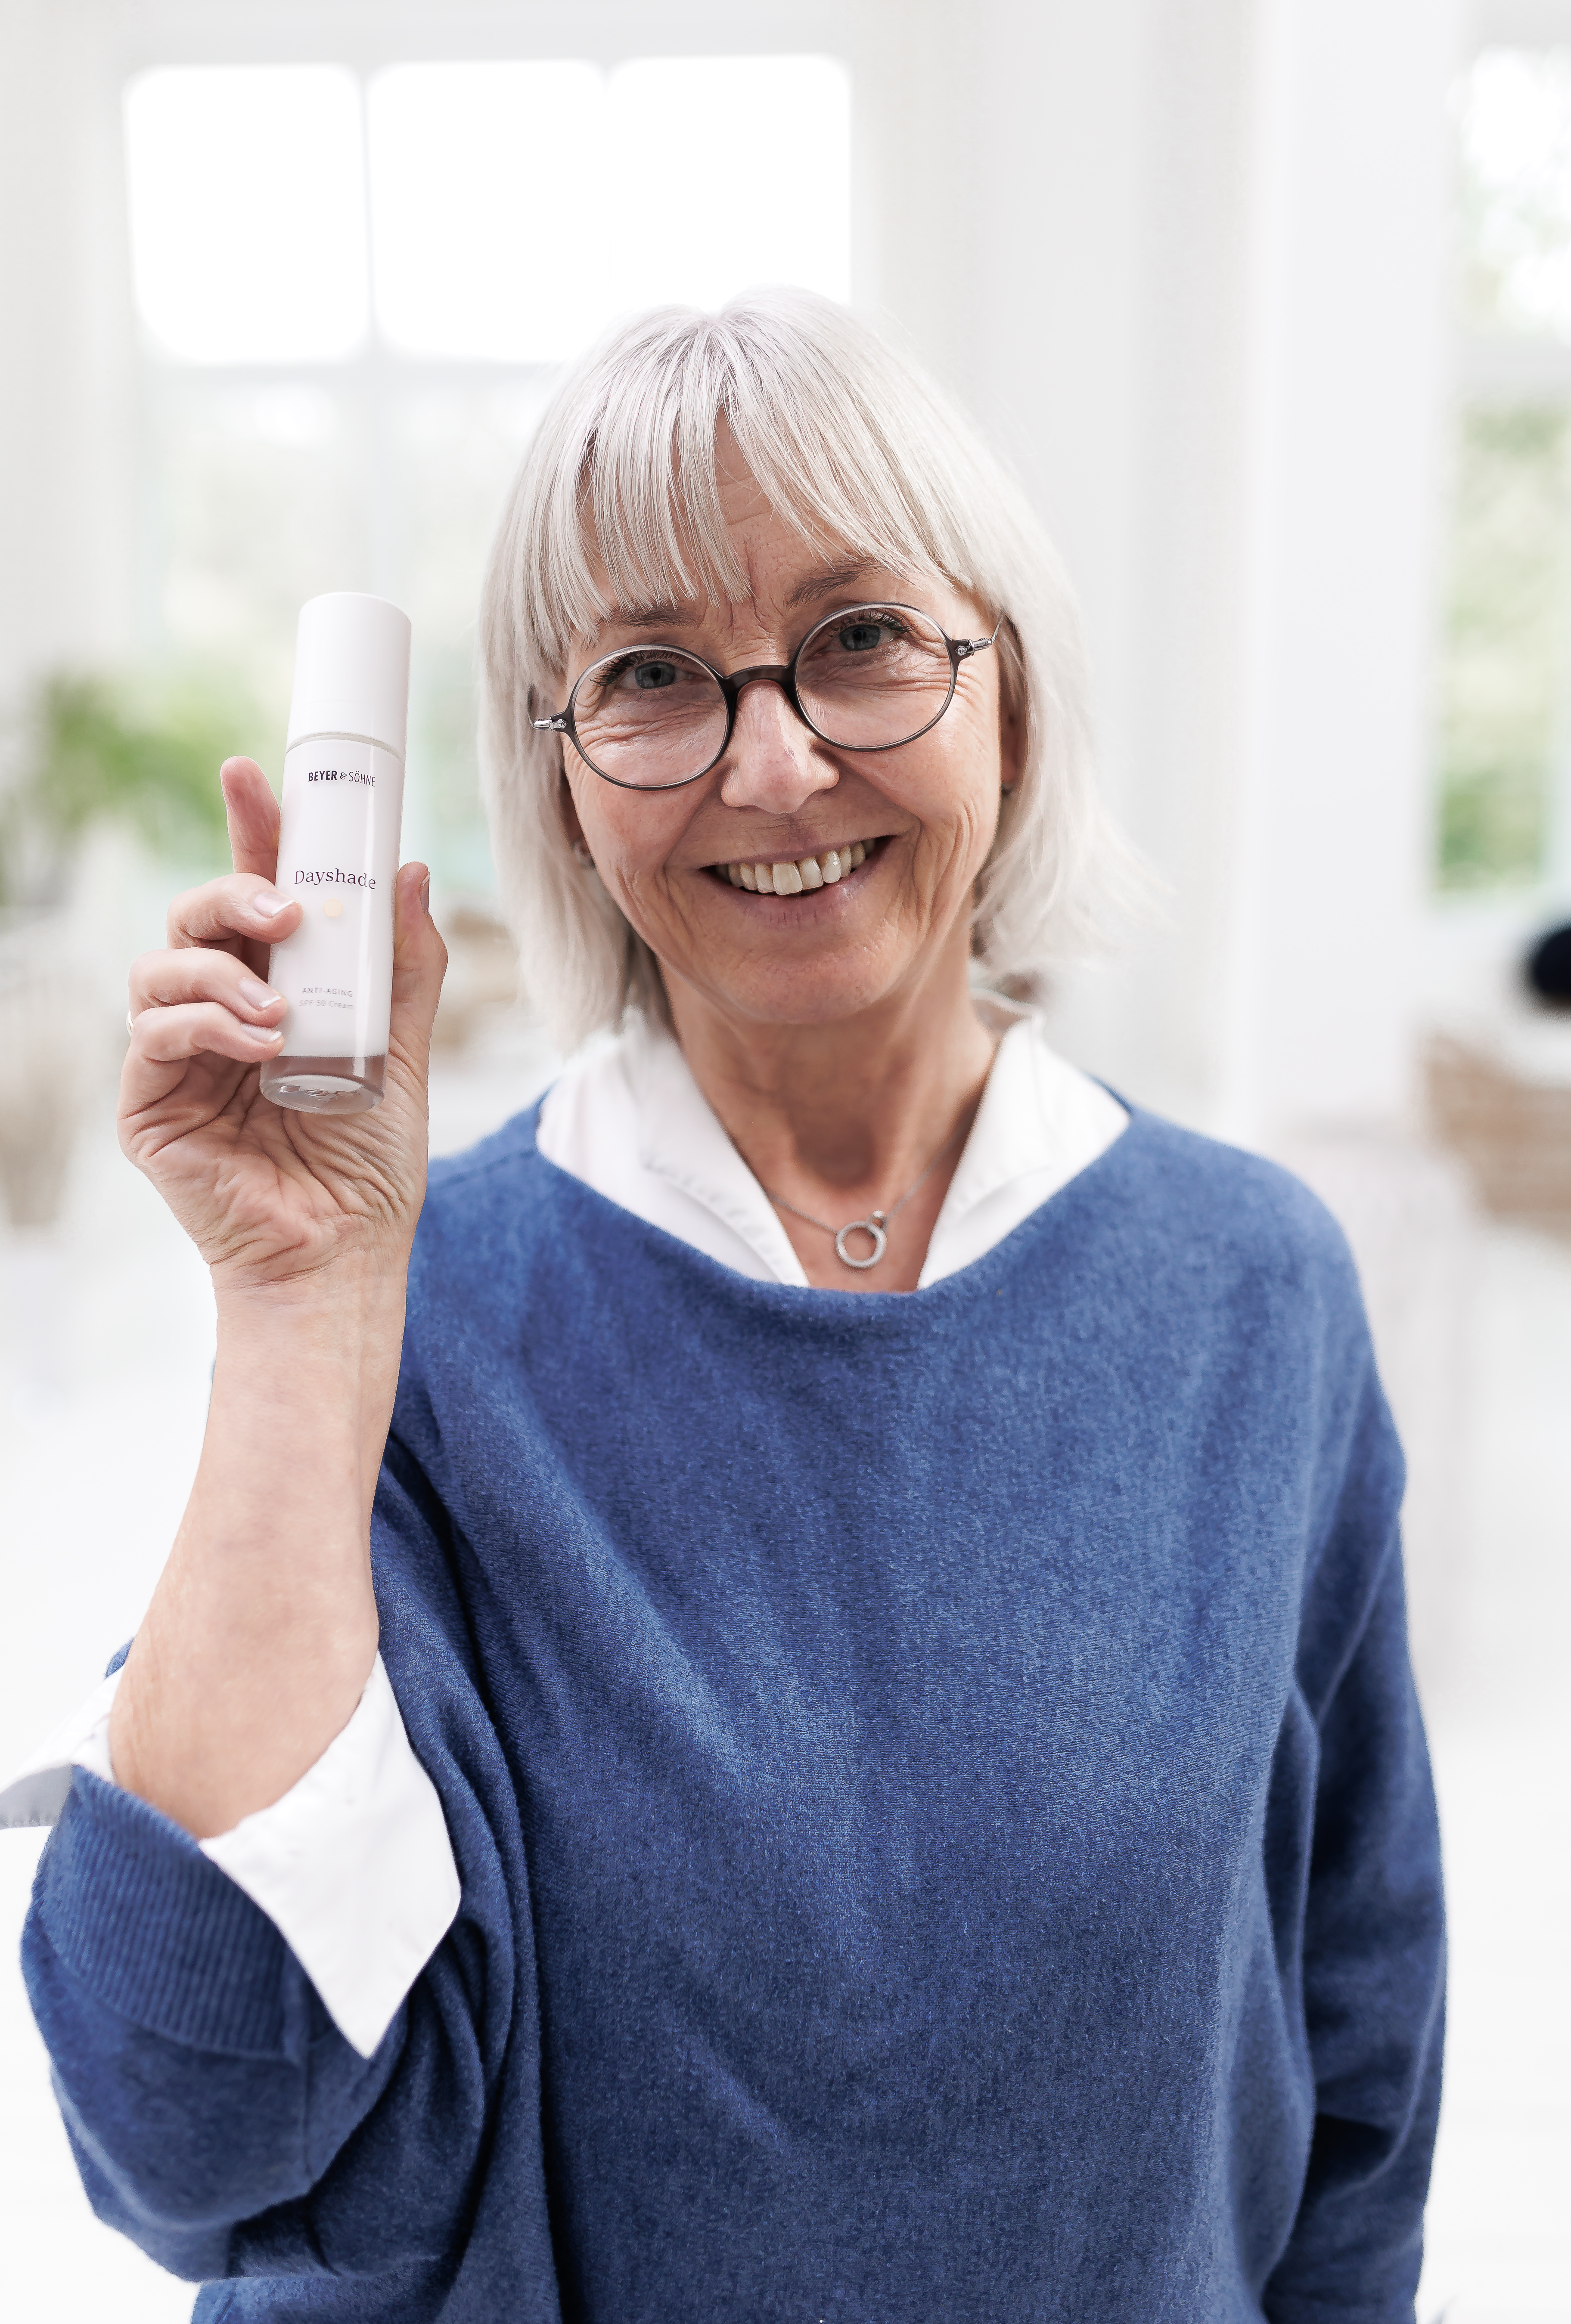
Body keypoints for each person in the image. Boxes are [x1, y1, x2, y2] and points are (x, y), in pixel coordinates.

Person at [13, 292, 1444, 2321]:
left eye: (861, 638)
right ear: (568, 778)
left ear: (1005, 691)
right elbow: (190, 2132)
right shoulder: (430, 1317)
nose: (772, 764)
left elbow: (1353, 2062)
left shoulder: (1251, 1290)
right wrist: (302, 1302)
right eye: (656, 676)